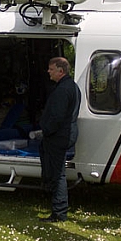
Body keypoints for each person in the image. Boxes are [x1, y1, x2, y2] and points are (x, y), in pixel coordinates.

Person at [35, 56, 80, 222]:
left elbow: (57, 116)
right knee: (56, 171)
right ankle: (55, 205)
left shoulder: (62, 90)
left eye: (51, 69)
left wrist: (45, 130)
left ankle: (59, 212)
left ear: (60, 71)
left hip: (58, 136)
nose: (48, 72)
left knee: (57, 174)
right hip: (66, 133)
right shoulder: (72, 87)